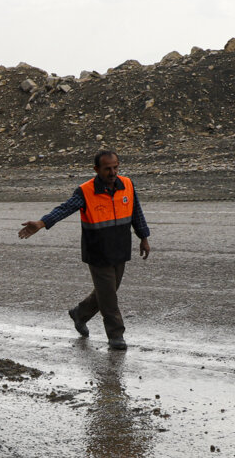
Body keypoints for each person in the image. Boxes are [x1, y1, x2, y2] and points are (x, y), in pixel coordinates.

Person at [17, 150, 151, 350]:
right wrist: (42, 222)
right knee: (109, 298)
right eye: (107, 169)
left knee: (107, 292)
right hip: (97, 253)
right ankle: (116, 335)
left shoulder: (128, 185)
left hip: (120, 249)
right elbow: (64, 209)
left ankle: (80, 313)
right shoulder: (86, 191)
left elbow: (136, 213)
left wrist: (144, 237)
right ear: (96, 169)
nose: (112, 172)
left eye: (115, 167)